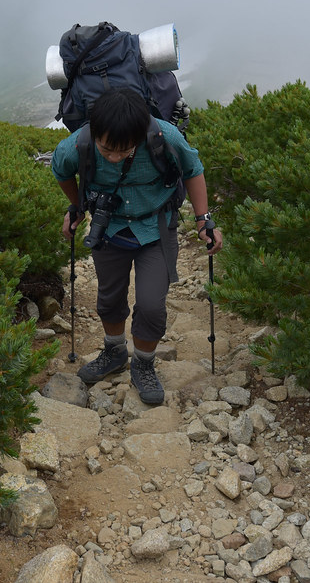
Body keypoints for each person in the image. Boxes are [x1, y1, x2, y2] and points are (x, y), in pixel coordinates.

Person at [51, 87, 223, 405]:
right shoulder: (77, 144)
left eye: (123, 150)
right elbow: (61, 171)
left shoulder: (164, 136)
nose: (114, 156)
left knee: (152, 305)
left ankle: (143, 365)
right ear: (95, 134)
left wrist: (204, 220)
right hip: (109, 227)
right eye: (106, 150)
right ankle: (114, 352)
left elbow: (193, 170)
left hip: (157, 228)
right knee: (110, 297)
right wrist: (76, 207)